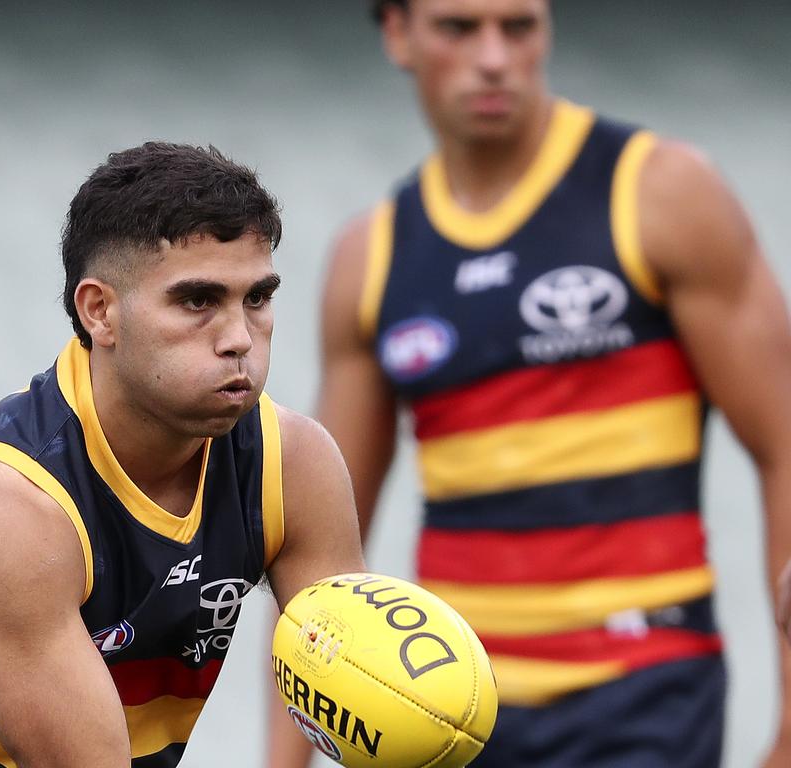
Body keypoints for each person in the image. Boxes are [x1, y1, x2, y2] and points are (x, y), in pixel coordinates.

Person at [267, 1, 791, 766]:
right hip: (454, 709)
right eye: (459, 28)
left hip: (644, 691)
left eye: (519, 27)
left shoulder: (658, 192)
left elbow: (784, 444)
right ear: (398, 33)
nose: (493, 57)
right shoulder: (371, 256)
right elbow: (314, 541)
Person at [0, 142, 365, 768]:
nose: (239, 339)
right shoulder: (0, 502)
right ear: (100, 313)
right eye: (198, 301)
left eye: (256, 299)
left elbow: (361, 691)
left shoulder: (294, 464)